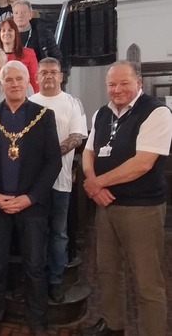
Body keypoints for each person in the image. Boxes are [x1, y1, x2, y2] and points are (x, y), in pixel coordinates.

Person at [80, 60, 172, 336]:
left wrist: (96, 183)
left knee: (146, 281)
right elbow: (89, 152)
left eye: (123, 83)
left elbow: (142, 163)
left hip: (141, 208)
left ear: (138, 83)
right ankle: (113, 324)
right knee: (107, 271)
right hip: (106, 205)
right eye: (111, 84)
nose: (117, 89)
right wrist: (94, 184)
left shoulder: (156, 112)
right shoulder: (101, 114)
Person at [0, 60, 61, 336]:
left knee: (35, 266)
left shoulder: (44, 115)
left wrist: (31, 197)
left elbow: (52, 163)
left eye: (18, 79)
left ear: (28, 82)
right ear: (1, 84)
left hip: (31, 206)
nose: (13, 84)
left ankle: (38, 320)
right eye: (8, 80)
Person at [29, 57, 88, 303]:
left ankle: (55, 280)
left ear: (61, 76)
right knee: (34, 234)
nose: (49, 76)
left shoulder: (72, 103)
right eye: (44, 72)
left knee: (59, 233)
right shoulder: (28, 102)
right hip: (30, 183)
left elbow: (77, 136)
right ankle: (34, 281)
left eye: (54, 72)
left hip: (60, 181)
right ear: (37, 77)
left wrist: (50, 157)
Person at [0, 18, 39, 93]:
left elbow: (35, 81)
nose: (6, 33)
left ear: (16, 33)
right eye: (3, 30)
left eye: (10, 30)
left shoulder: (29, 53)